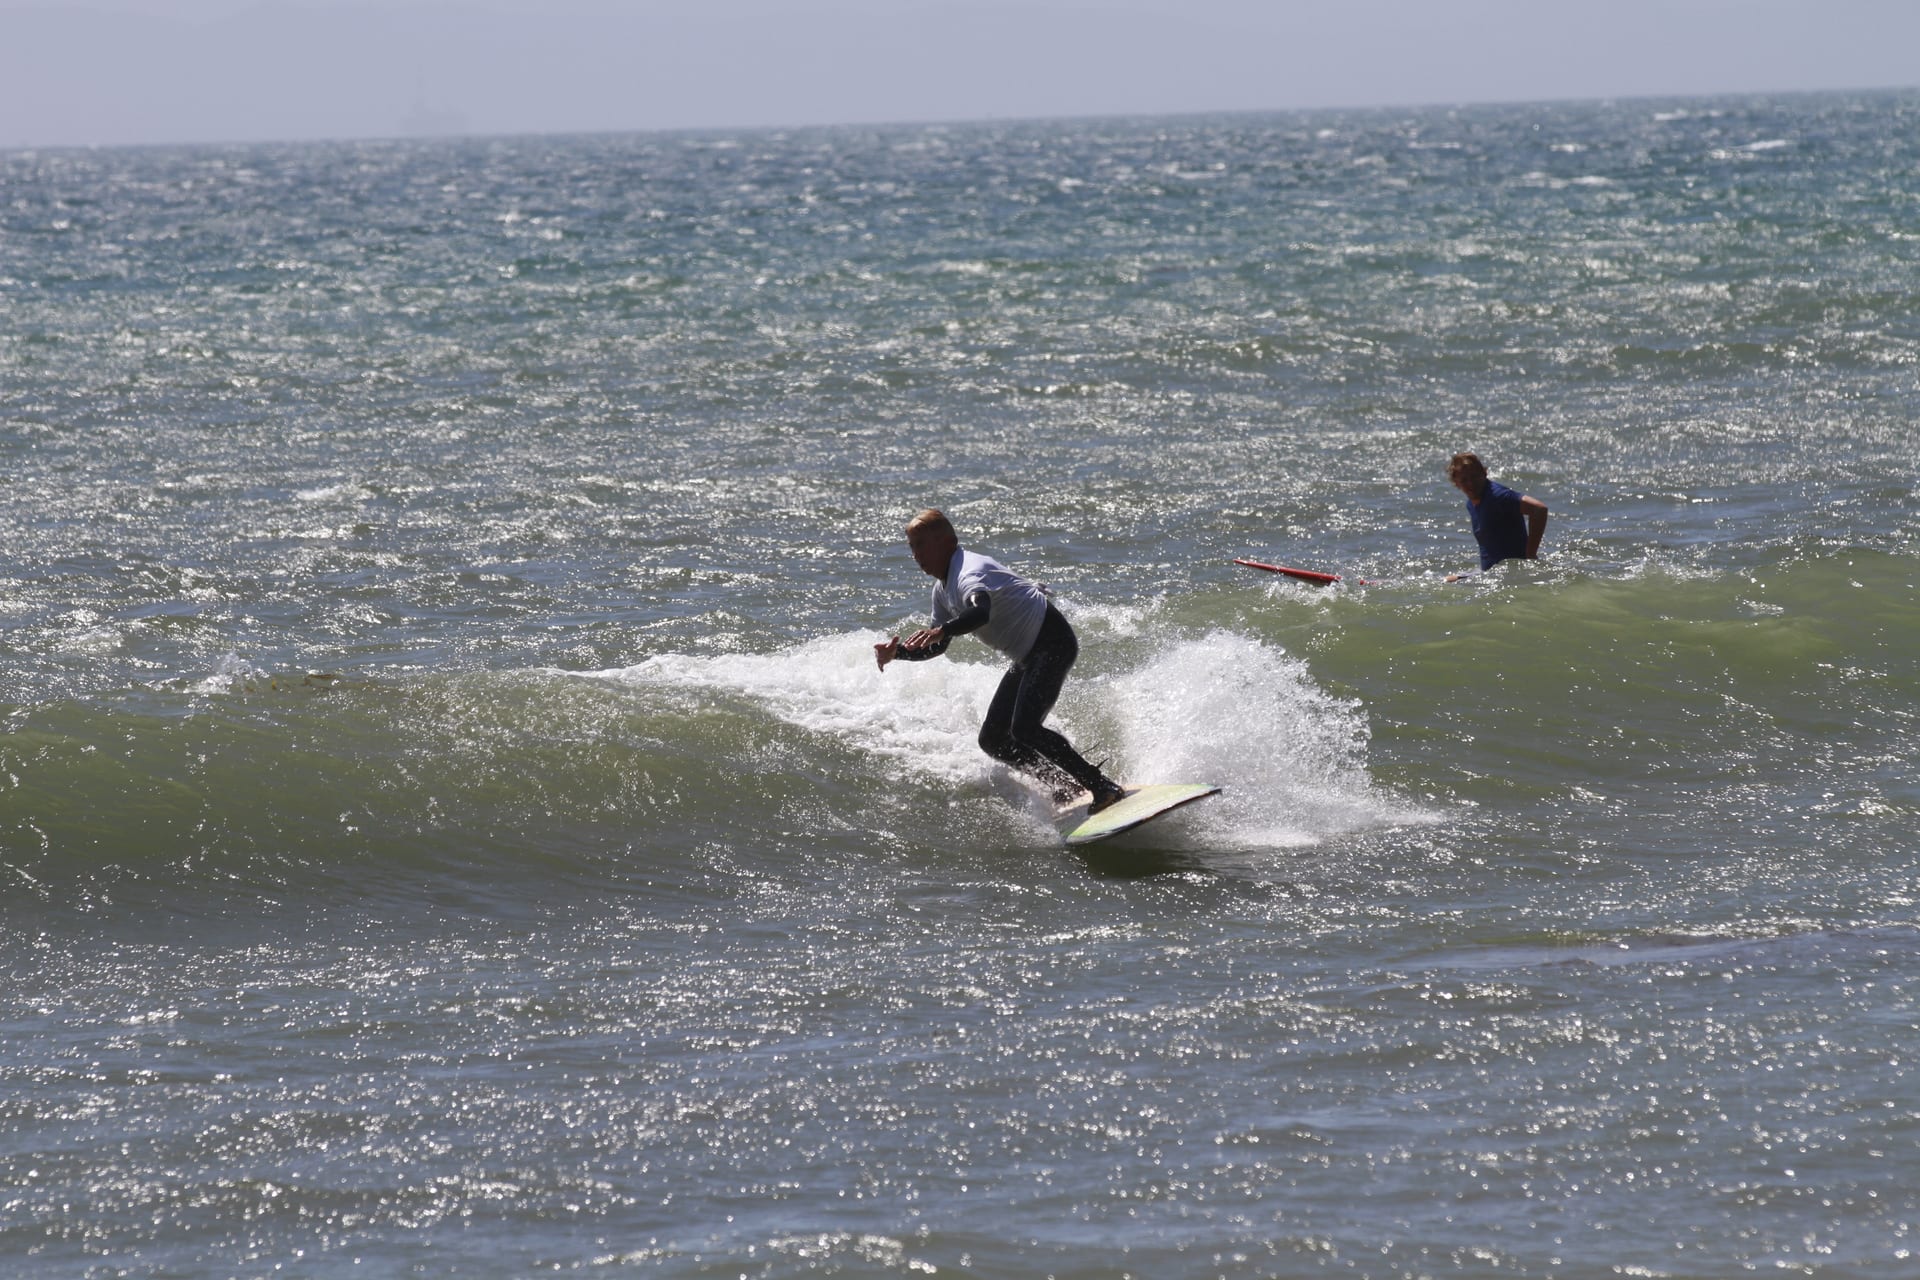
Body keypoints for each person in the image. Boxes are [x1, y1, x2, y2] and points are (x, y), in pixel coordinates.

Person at [875, 509, 1127, 813]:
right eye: (912, 547)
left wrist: (943, 629)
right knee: (993, 739)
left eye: (921, 545)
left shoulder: (968, 573)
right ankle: (1065, 786)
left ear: (947, 542)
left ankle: (1101, 786)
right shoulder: (942, 590)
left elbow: (980, 612)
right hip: (1027, 655)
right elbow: (936, 647)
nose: (916, 555)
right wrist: (898, 653)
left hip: (1051, 642)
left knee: (1025, 728)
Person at [1447, 452, 1549, 576]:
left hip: (1514, 575)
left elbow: (1539, 509)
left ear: (1484, 473)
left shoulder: (1498, 496)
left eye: (1474, 476)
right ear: (1456, 483)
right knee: (1446, 580)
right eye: (1464, 480)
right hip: (1491, 574)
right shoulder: (1471, 504)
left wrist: (1530, 556)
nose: (1470, 483)